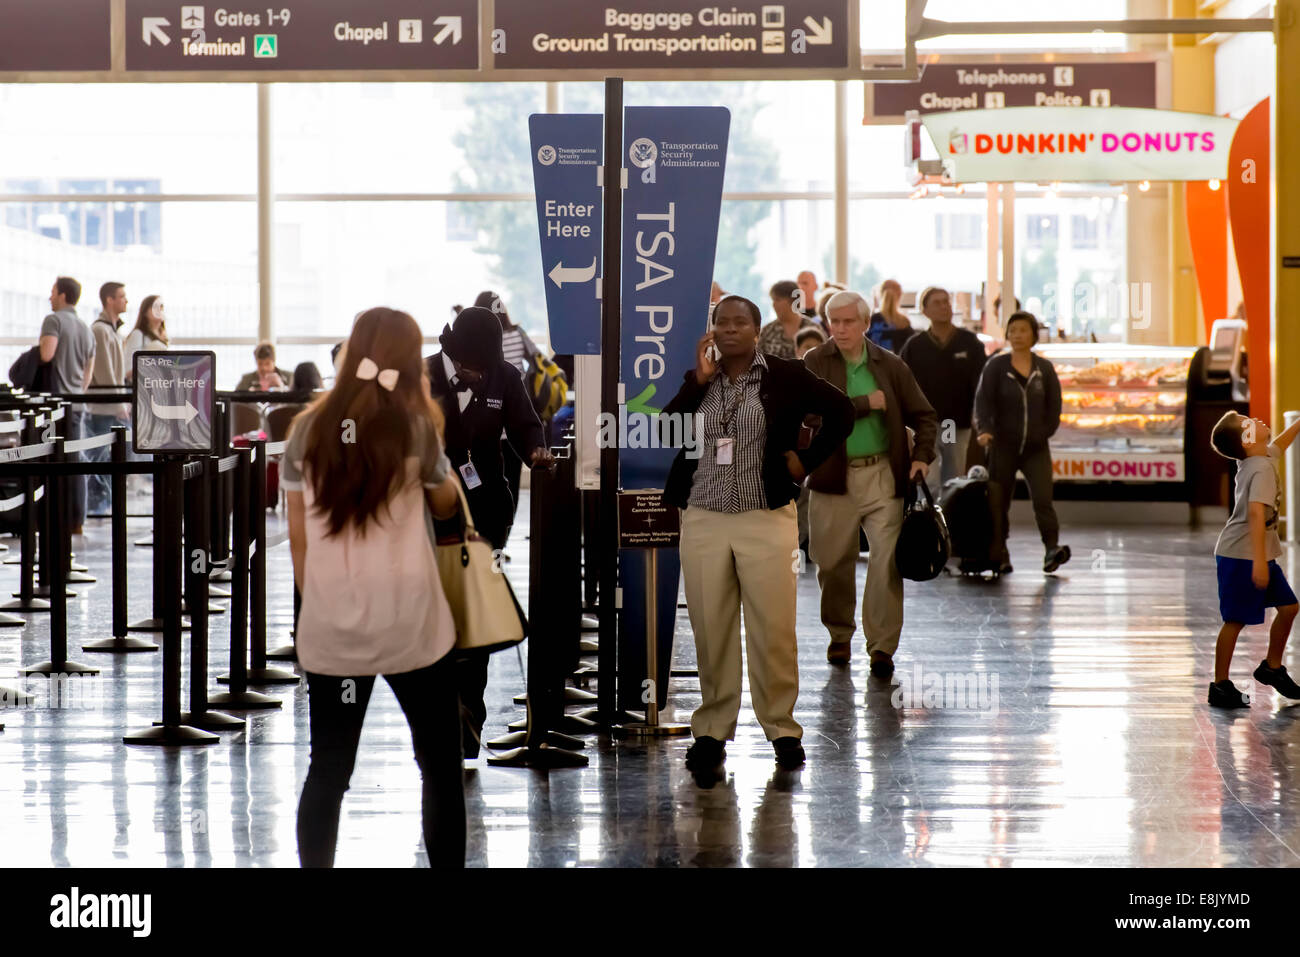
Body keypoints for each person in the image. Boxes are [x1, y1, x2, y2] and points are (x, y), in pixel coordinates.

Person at [283, 307, 466, 868]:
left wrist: (319, 608)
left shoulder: (306, 430)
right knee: (438, 765)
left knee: (329, 769)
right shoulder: (415, 427)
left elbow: (298, 541)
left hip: (334, 631)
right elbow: (448, 504)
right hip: (412, 625)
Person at [662, 295, 855, 775]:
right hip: (704, 517)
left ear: (755, 329)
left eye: (739, 322)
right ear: (712, 331)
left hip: (765, 517)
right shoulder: (699, 383)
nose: (729, 330)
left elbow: (842, 411)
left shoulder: (785, 375)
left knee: (772, 628)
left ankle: (782, 728)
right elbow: (667, 432)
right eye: (720, 323)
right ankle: (711, 731)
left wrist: (804, 462)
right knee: (711, 627)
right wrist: (697, 382)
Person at [425, 306, 554, 758]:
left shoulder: (504, 375)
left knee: (474, 610)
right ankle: (436, 714)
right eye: (470, 367)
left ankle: (468, 720)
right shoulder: (422, 377)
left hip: (485, 509)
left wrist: (537, 451)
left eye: (484, 367)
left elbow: (525, 424)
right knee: (434, 607)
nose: (478, 374)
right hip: (428, 511)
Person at [803, 290, 937, 674]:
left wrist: (922, 457)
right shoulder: (815, 361)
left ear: (865, 323)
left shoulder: (890, 365)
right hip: (831, 476)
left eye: (848, 321)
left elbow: (925, 416)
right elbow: (810, 415)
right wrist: (863, 404)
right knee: (830, 563)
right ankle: (839, 634)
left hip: (882, 474)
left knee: (886, 562)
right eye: (834, 321)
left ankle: (881, 646)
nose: (840, 329)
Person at [1207, 411, 1300, 708]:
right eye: (1249, 423)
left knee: (1289, 607)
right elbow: (1257, 515)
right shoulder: (1258, 468)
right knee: (1234, 621)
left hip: (1255, 554)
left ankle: (1272, 668)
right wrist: (1259, 562)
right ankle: (1220, 685)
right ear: (1247, 441)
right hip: (1242, 556)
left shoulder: (1259, 456)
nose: (1256, 421)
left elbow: (1280, 444)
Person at [974, 311, 1070, 575]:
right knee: (999, 501)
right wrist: (985, 430)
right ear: (1007, 334)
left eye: (1023, 330)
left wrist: (1045, 432)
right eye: (1012, 330)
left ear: (1033, 335)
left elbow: (1054, 406)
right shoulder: (996, 366)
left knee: (1043, 499)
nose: (1017, 335)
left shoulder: (1045, 369)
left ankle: (1052, 548)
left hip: (1036, 448)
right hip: (1002, 446)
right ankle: (999, 552)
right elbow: (983, 403)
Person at [900, 287, 987, 498]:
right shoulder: (915, 346)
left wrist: (980, 417)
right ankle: (929, 525)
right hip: (925, 425)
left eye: (946, 301)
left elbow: (981, 383)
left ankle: (950, 521)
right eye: (937, 303)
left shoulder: (969, 342)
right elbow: (903, 384)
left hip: (953, 423)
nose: (944, 307)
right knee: (927, 479)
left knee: (952, 477)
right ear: (925, 311)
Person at [40, 276, 95, 534]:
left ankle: (57, 519)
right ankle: (76, 520)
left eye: (52, 292)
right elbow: (88, 372)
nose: (50, 297)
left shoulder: (54, 321)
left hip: (58, 405)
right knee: (77, 460)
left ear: (63, 295)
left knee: (57, 461)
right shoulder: (85, 327)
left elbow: (46, 355)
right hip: (78, 403)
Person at [86, 281, 129, 516]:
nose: (126, 301)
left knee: (111, 457)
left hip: (112, 406)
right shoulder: (101, 330)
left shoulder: (112, 330)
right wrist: (119, 402)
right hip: (104, 407)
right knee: (101, 457)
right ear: (109, 300)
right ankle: (99, 507)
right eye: (121, 296)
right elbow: (105, 371)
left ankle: (107, 505)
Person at [758, 280, 820, 360]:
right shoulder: (767, 331)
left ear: (792, 300)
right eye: (773, 300)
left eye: (777, 300)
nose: (773, 304)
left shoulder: (813, 328)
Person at [122, 294, 170, 381]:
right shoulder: (138, 334)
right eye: (155, 307)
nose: (159, 310)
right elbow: (129, 370)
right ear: (145, 312)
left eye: (161, 307)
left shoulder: (163, 336)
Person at [868, 281, 915, 354]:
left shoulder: (873, 319)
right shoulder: (904, 322)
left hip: (874, 363)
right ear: (900, 296)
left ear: (880, 295)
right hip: (898, 363)